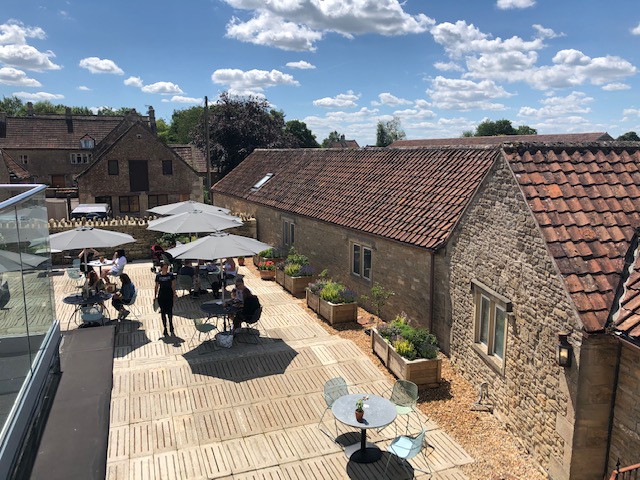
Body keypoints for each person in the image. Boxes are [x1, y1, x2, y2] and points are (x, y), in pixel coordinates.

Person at [154, 263, 177, 337]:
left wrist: (174, 294)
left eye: (167, 268)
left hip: (169, 294)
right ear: (161, 268)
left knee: (170, 311)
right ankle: (165, 327)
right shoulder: (158, 276)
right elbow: (156, 286)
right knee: (163, 312)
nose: (166, 269)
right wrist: (155, 295)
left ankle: (171, 324)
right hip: (161, 295)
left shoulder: (170, 275)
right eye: (164, 268)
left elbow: (173, 285)